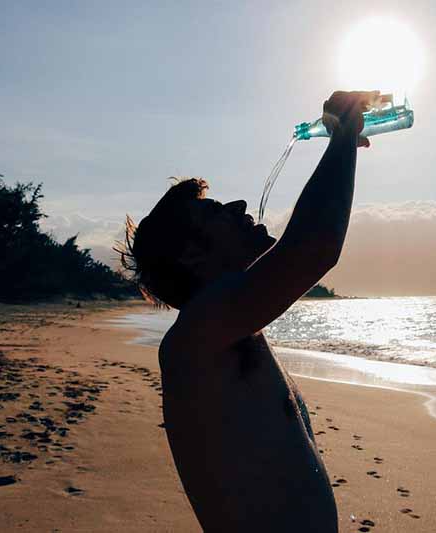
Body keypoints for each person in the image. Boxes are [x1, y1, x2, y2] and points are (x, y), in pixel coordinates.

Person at [118, 91, 377, 532]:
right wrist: (342, 132)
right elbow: (313, 247)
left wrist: (343, 141)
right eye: (215, 212)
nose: (238, 206)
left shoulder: (232, 331)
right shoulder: (195, 337)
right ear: (192, 254)